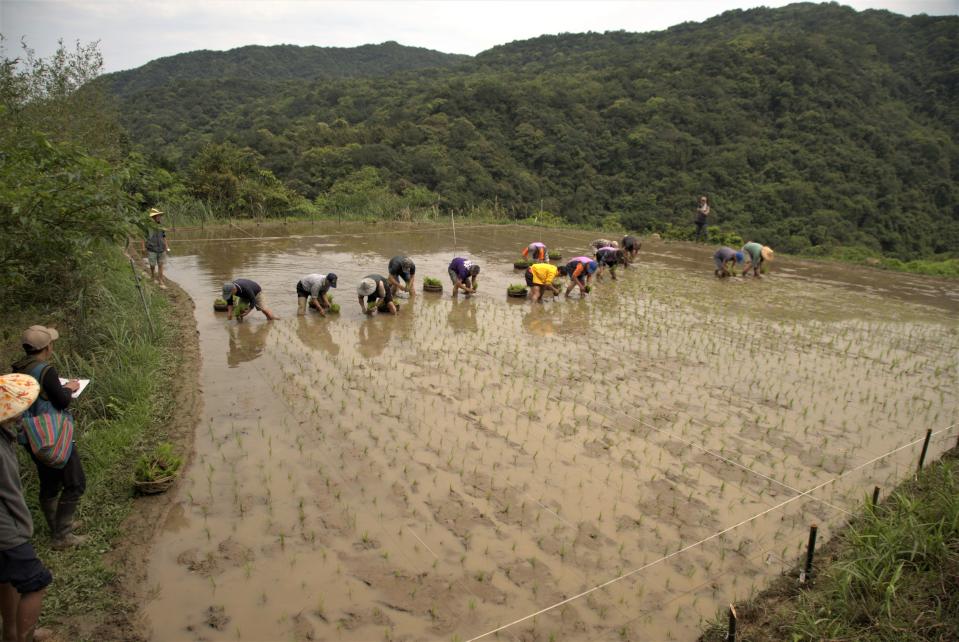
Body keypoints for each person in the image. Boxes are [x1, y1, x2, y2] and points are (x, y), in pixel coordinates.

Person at [11, 326, 86, 550]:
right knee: (75, 482)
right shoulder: (46, 371)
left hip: (30, 433)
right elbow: (62, 401)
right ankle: (62, 535)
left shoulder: (19, 368)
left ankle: (57, 526)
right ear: (47, 347)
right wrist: (70, 388)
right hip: (52, 432)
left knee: (49, 480)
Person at [0, 373, 53, 642]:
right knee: (37, 582)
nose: (21, 414)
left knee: (6, 578)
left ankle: (10, 632)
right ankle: (24, 636)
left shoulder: (4, 434)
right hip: (6, 529)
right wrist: (23, 528)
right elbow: (10, 491)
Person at [142, 208, 170, 289]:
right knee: (152, 265)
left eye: (159, 216)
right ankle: (153, 276)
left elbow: (164, 237)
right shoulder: (147, 226)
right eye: (158, 216)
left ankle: (160, 279)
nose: (159, 217)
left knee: (161, 265)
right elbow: (143, 237)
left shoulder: (161, 226)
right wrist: (143, 247)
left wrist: (167, 246)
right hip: (151, 248)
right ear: (153, 217)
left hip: (161, 248)